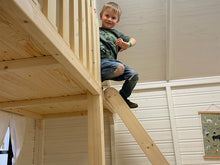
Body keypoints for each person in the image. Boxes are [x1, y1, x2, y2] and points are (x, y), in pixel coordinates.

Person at [100, 2, 139, 108]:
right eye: (107, 16)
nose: (109, 19)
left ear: (117, 21)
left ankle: (123, 97)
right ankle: (98, 78)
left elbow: (133, 40)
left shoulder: (116, 34)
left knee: (134, 75)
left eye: (113, 18)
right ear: (101, 16)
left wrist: (127, 44)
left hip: (112, 63)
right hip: (99, 62)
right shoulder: (95, 30)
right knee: (119, 67)